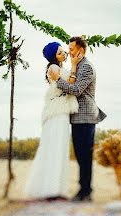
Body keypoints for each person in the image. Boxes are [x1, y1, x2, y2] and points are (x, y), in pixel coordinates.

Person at [24, 42, 81, 200]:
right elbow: (69, 84)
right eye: (60, 53)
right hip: (56, 111)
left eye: (63, 52)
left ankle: (57, 189)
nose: (64, 54)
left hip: (62, 110)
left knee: (60, 148)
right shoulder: (53, 69)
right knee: (54, 147)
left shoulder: (61, 68)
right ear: (53, 57)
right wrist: (74, 65)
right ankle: (49, 188)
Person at [55, 36, 106, 202]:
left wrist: (58, 81)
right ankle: (84, 190)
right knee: (80, 154)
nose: (69, 52)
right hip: (78, 117)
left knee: (84, 155)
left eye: (71, 49)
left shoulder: (87, 68)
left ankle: (86, 192)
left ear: (81, 50)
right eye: (68, 49)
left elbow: (76, 90)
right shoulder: (78, 66)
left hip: (86, 117)